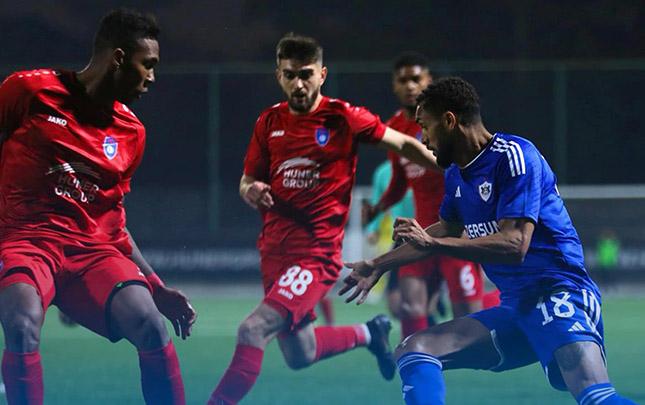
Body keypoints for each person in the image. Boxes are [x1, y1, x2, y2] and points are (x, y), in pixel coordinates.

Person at [340, 77, 636, 405]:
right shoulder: (456, 174)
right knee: (414, 349)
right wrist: (379, 264)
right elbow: (446, 229)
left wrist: (433, 244)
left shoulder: (514, 157)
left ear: (449, 121)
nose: (424, 139)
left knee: (596, 397)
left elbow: (515, 245)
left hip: (558, 295)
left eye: (425, 127)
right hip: (516, 307)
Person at [208, 33, 440, 405]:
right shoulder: (268, 122)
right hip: (274, 251)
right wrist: (250, 189)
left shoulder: (343, 116)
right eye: (289, 75)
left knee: (252, 330)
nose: (298, 84)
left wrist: (455, 165)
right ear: (279, 76)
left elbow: (404, 144)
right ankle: (369, 333)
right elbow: (247, 180)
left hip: (315, 254)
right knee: (300, 353)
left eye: (306, 74)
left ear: (322, 74)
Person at [0, 9, 196, 405]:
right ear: (119, 58)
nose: (152, 77)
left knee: (150, 326)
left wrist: (156, 286)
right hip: (26, 242)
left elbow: (114, 223)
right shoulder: (28, 91)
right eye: (148, 65)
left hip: (92, 252)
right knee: (21, 325)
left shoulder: (132, 132)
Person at [363, 53, 485, 340]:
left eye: (416, 79)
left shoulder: (445, 120)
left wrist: (475, 217)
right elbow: (400, 179)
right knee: (409, 305)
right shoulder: (394, 127)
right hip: (422, 231)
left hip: (455, 230)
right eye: (403, 80)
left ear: (429, 80)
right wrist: (378, 208)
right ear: (394, 85)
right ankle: (417, 360)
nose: (410, 85)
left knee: (468, 315)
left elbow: (468, 167)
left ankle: (499, 317)